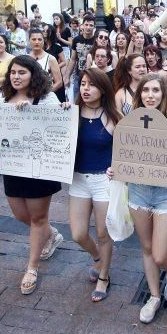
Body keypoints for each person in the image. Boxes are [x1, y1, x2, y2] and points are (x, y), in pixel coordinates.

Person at [115, 74, 167, 322]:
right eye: (146, 90)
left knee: (160, 254)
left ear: (164, 95)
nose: (150, 95)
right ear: (139, 93)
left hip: (166, 193)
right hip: (139, 190)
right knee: (147, 248)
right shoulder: (132, 120)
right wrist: (116, 169)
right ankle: (153, 297)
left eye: (155, 90)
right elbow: (124, 154)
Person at [0, 55, 66, 294]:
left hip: (40, 167)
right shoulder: (2, 96)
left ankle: (32, 267)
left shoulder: (47, 98)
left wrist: (32, 113)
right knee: (21, 215)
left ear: (33, 74)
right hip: (13, 165)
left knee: (37, 218)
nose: (16, 77)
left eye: (22, 72)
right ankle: (51, 235)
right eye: (13, 72)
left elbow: (57, 129)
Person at [68, 68, 120, 301]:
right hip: (78, 179)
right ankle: (98, 258)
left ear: (103, 89)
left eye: (92, 84)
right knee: (78, 234)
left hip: (104, 181)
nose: (85, 89)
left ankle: (104, 276)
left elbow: (125, 151)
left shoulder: (113, 117)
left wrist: (118, 167)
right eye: (83, 84)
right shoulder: (71, 113)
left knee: (103, 232)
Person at [63, 13, 97, 100]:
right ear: (82, 25)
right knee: (77, 102)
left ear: (94, 27)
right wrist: (67, 77)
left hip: (93, 76)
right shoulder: (77, 40)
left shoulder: (97, 40)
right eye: (86, 24)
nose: (88, 27)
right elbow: (73, 59)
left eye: (91, 25)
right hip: (79, 76)